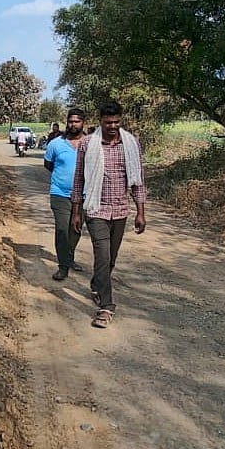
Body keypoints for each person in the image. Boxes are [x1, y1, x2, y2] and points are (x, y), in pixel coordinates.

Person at [71, 101, 147, 329]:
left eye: (116, 122)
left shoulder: (131, 144)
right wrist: (76, 211)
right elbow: (78, 180)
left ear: (120, 121)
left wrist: (140, 212)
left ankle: (97, 283)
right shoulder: (87, 144)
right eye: (108, 122)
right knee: (102, 257)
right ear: (100, 121)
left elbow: (138, 181)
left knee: (111, 258)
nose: (112, 126)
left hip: (121, 210)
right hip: (96, 209)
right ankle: (106, 306)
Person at [43, 109, 86, 281]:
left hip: (84, 194)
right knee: (62, 229)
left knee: (75, 229)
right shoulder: (56, 144)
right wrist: (62, 178)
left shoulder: (90, 143)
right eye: (70, 121)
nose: (73, 124)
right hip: (59, 193)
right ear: (66, 122)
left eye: (77, 121)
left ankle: (69, 257)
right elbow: (48, 164)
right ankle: (63, 267)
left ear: (83, 122)